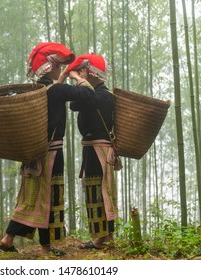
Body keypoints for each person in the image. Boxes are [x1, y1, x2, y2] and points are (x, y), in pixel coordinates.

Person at [0, 43, 93, 256]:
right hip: (52, 152)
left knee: (32, 196)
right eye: (59, 67)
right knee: (49, 197)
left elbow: (54, 91)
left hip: (34, 152)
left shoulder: (36, 90)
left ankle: (9, 238)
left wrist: (62, 79)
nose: (61, 70)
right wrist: (77, 77)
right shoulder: (56, 91)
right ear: (52, 68)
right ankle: (45, 246)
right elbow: (87, 94)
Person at [66, 53, 118, 249]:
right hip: (92, 148)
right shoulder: (95, 94)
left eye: (84, 72)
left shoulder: (103, 96)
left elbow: (78, 102)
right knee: (97, 191)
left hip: (99, 149)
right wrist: (81, 82)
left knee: (100, 192)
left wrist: (78, 81)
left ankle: (102, 238)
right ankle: (105, 236)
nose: (81, 75)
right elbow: (73, 104)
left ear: (94, 74)